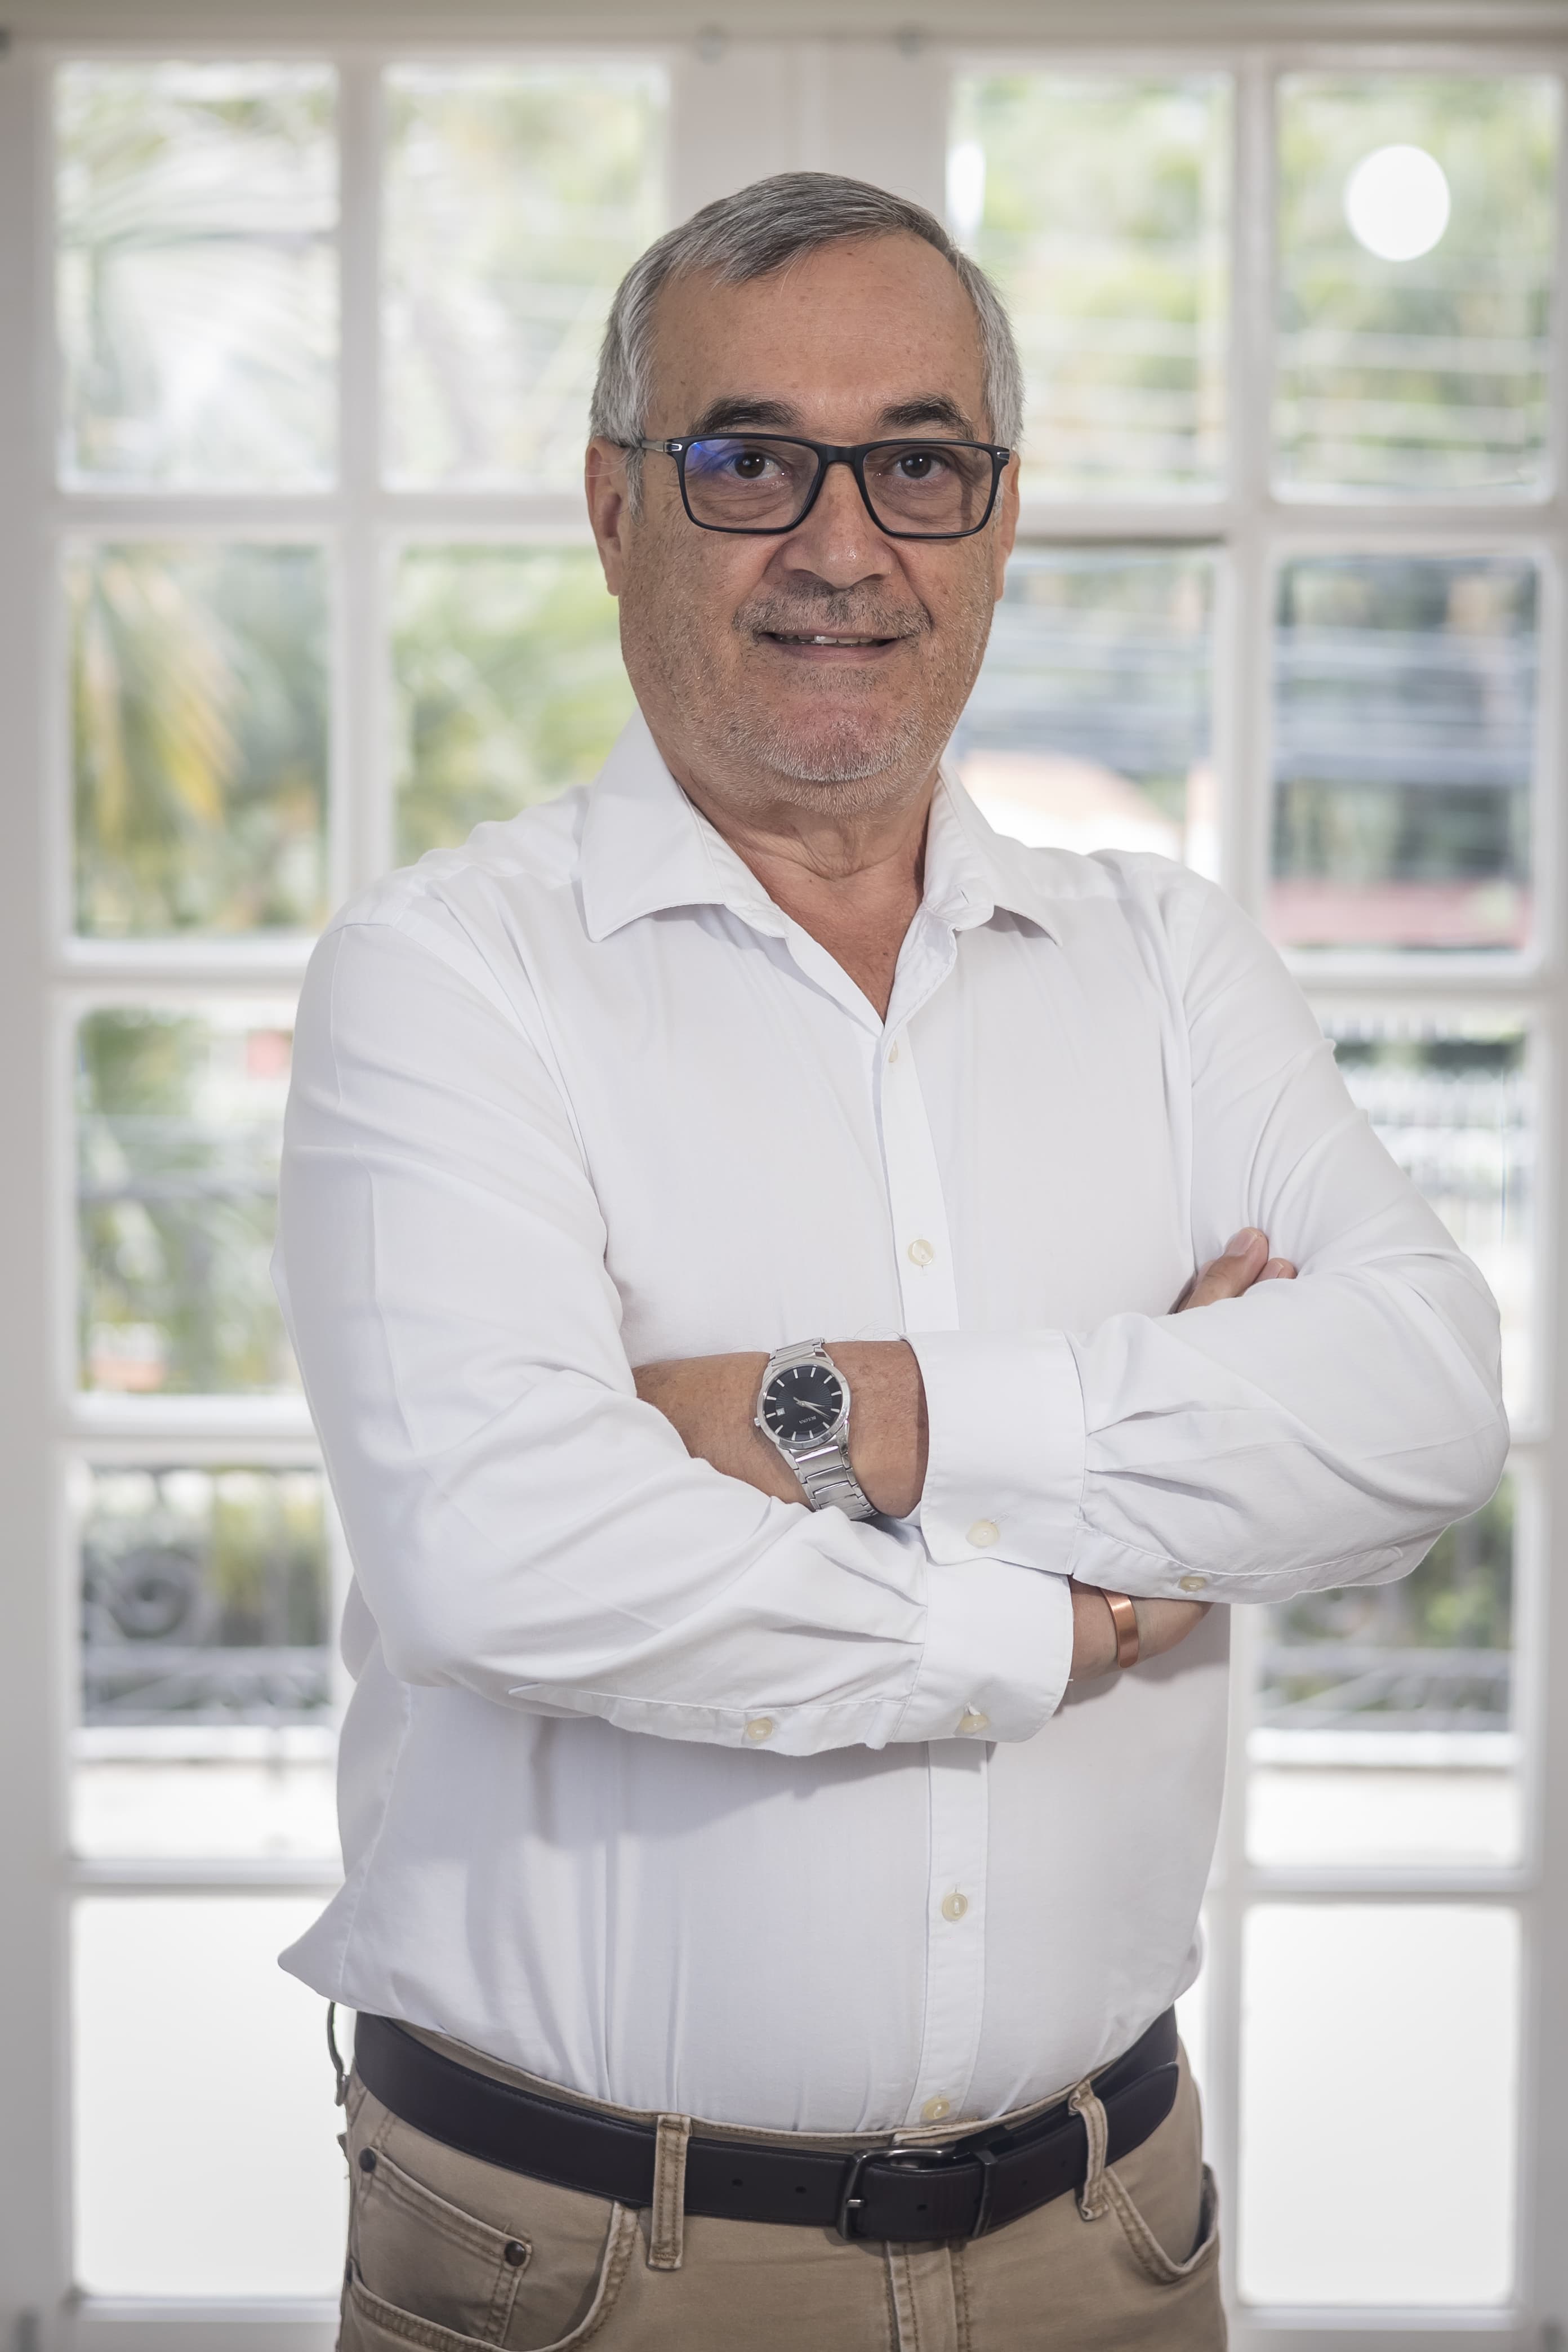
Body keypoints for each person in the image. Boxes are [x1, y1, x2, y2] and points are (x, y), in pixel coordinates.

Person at [274, 173, 1508, 2352]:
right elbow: (501, 1554)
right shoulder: (449, 977)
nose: (842, 546)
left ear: (996, 519)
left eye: (918, 465)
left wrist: (865, 1416)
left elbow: (1418, 1409)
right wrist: (1070, 1618)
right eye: (749, 461)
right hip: (585, 2269)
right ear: (615, 507)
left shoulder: (1169, 961)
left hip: (1109, 2240)